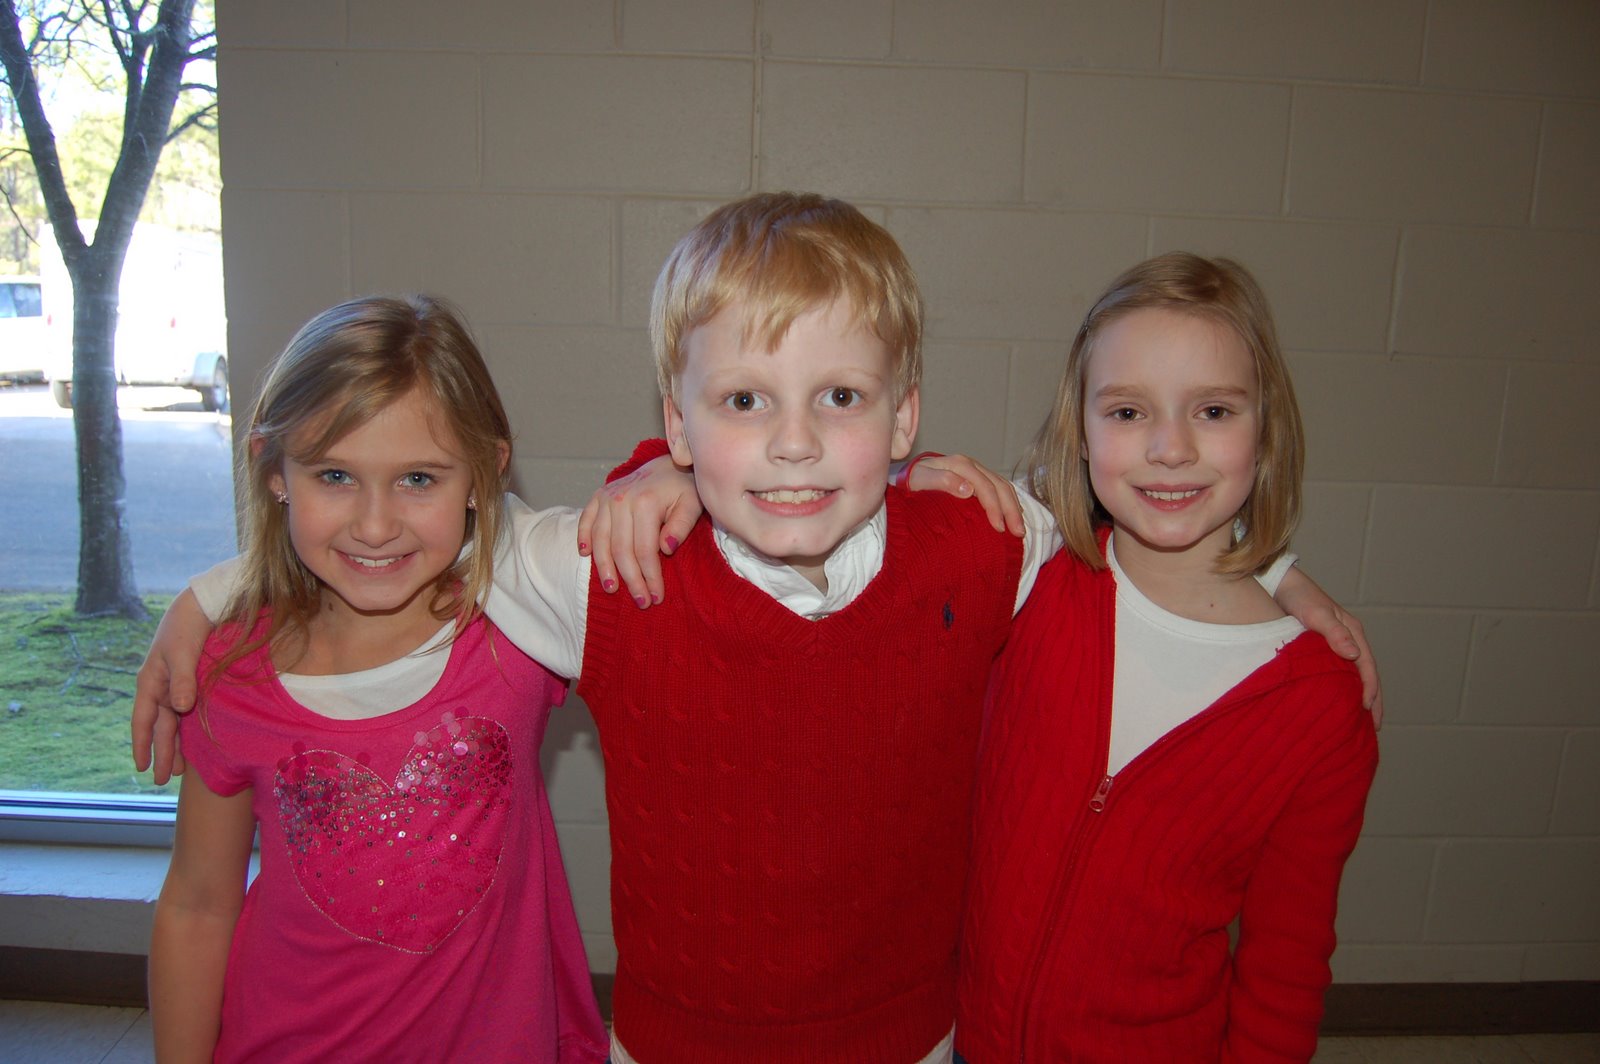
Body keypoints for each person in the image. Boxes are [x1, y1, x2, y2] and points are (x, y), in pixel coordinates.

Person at [136, 195, 1375, 1064]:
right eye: (743, 401)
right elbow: (401, 519)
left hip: (912, 1038)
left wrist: (1276, 569)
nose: (791, 441)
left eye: (838, 397)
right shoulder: (605, 569)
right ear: (675, 422)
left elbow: (1145, 507)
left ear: (902, 422)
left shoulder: (985, 544)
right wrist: (218, 587)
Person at [147, 295, 607, 1063]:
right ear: (276, 473)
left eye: (418, 478)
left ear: (482, 475)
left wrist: (666, 477)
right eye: (335, 474)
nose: (373, 524)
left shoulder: (516, 626)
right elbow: (198, 906)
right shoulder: (228, 671)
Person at [954, 253, 1380, 1063]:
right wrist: (669, 473)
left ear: (1267, 432)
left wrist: (1278, 572)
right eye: (1127, 412)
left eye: (1214, 410)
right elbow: (843, 497)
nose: (1171, 447)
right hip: (963, 1036)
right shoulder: (1025, 579)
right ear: (1079, 433)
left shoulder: (1320, 709)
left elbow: (1284, 968)